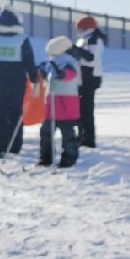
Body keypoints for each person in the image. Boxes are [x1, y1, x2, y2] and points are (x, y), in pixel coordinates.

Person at [0, 7, 37, 158]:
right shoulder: (22, 39)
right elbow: (29, 61)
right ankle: (15, 146)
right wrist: (34, 80)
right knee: (15, 113)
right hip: (16, 82)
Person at [37, 35, 81, 168]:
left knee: (67, 134)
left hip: (65, 104)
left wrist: (59, 73)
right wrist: (43, 72)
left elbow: (69, 74)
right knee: (46, 132)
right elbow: (49, 77)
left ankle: (68, 158)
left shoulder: (70, 62)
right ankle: (46, 157)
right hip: (52, 104)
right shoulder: (53, 61)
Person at [71, 15, 105, 148]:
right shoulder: (84, 39)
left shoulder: (95, 39)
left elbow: (90, 57)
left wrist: (74, 49)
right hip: (82, 77)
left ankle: (88, 139)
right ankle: (82, 136)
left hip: (90, 77)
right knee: (80, 109)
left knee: (86, 110)